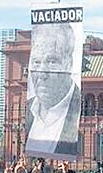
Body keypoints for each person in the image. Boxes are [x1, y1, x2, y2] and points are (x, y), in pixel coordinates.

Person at [25, 22, 82, 157]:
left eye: (52, 61)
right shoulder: (28, 110)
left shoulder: (78, 107)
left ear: (69, 64)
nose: (42, 74)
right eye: (36, 62)